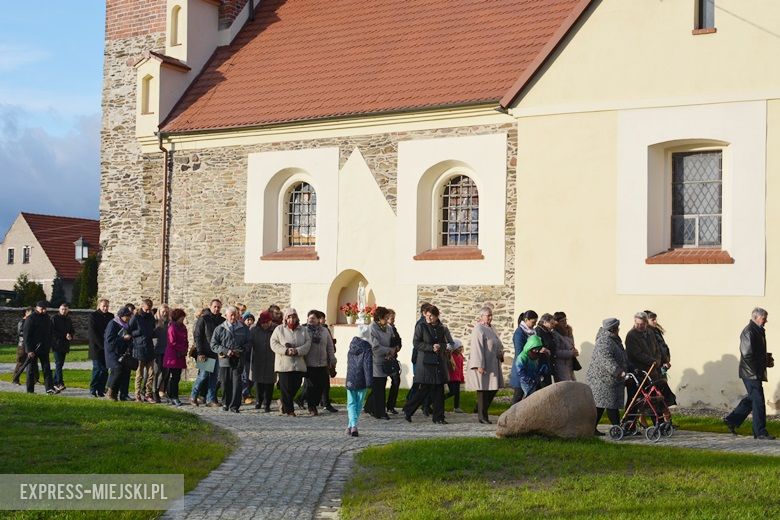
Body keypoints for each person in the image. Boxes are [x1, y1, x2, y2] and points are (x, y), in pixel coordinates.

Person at [724, 308, 775, 440]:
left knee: (752, 398)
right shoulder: (749, 331)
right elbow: (747, 354)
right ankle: (760, 432)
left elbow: (756, 352)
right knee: (758, 401)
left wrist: (766, 360)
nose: (766, 321)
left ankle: (732, 420)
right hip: (751, 373)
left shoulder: (757, 330)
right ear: (756, 317)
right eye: (764, 318)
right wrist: (758, 369)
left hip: (753, 372)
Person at [403, 305, 452, 424]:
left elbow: (447, 343)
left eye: (431, 316)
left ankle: (439, 417)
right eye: (427, 315)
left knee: (439, 391)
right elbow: (416, 343)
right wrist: (431, 347)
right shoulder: (421, 326)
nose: (429, 318)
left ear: (436, 316)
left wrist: (441, 346)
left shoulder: (441, 327)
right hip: (426, 364)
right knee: (424, 390)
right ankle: (408, 410)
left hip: (438, 364)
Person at [587, 318, 628, 436]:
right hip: (601, 379)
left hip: (608, 379)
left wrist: (629, 367)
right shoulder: (604, 341)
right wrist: (618, 371)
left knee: (601, 405)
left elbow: (622, 356)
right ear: (614, 329)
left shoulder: (613, 340)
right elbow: (606, 359)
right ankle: (617, 429)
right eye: (617, 328)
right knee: (610, 404)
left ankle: (592, 428)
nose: (618, 329)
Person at [466, 307, 505, 423]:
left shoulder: (491, 328)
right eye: (488, 315)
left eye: (491, 315)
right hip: (483, 364)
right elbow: (477, 347)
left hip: (493, 363)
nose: (490, 318)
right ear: (481, 316)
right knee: (483, 390)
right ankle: (482, 416)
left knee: (493, 388)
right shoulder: (478, 328)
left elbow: (497, 343)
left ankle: (480, 410)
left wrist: (501, 353)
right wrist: (479, 365)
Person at [270, 308, 311, 416]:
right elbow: (273, 343)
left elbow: (307, 344)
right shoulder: (279, 329)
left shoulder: (303, 330)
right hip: (284, 364)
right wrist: (286, 350)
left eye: (293, 317)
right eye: (289, 317)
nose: (292, 319)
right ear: (285, 318)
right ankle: (290, 410)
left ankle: (283, 401)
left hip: (298, 364)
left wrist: (297, 351)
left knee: (296, 385)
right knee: (286, 387)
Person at [211, 305, 250, 413]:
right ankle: (225, 403)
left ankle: (234, 406)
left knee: (237, 383)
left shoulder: (243, 328)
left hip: (238, 359)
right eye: (231, 315)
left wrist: (241, 350)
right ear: (227, 316)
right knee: (225, 382)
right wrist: (225, 351)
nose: (233, 317)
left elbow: (249, 342)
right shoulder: (220, 328)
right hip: (224, 360)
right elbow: (214, 344)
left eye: (235, 315)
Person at [301, 310, 336, 416]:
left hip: (322, 363)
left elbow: (329, 346)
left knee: (321, 385)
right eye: (309, 318)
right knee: (311, 386)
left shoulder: (324, 331)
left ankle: (311, 403)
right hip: (309, 363)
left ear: (318, 320)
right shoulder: (304, 331)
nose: (311, 320)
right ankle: (312, 407)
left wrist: (332, 359)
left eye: (313, 318)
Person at [191, 299, 225, 407]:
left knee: (214, 378)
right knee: (203, 376)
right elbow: (198, 336)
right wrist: (200, 352)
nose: (216, 309)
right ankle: (193, 396)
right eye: (215, 306)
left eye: (218, 307)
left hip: (217, 353)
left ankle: (211, 399)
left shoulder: (222, 321)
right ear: (210, 307)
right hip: (205, 352)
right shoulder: (203, 319)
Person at [367, 307, 395, 420]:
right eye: (386, 317)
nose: (388, 320)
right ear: (379, 317)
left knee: (380, 386)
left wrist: (393, 350)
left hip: (387, 360)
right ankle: (380, 412)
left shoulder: (388, 328)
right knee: (378, 387)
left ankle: (370, 407)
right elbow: (375, 347)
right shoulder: (371, 328)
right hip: (376, 361)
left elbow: (393, 339)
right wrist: (388, 350)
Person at [345, 325, 373, 437]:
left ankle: (350, 426)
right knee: (359, 403)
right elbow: (368, 365)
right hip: (362, 378)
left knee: (351, 403)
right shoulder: (367, 348)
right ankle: (354, 426)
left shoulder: (352, 346)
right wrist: (369, 381)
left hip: (351, 377)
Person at [23, 300, 55, 394]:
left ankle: (49, 388)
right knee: (31, 370)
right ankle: (30, 390)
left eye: (45, 309)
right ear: (37, 308)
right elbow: (26, 336)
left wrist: (49, 345)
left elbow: (50, 332)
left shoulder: (47, 318)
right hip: (33, 349)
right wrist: (29, 350)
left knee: (47, 369)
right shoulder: (31, 319)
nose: (44, 311)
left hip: (44, 348)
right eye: (42, 309)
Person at [405, 302, 432, 412]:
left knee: (425, 382)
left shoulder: (427, 323)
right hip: (420, 357)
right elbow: (418, 342)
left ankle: (425, 405)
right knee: (420, 382)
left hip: (425, 356)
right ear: (424, 313)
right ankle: (410, 404)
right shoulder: (421, 324)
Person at [129, 298, 156, 402]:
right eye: (147, 309)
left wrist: (152, 333)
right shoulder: (136, 317)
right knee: (139, 374)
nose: (148, 311)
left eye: (150, 309)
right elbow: (129, 331)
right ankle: (137, 394)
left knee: (151, 373)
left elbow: (152, 329)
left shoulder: (151, 317)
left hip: (149, 347)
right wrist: (139, 333)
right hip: (139, 347)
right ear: (142, 306)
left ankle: (148, 394)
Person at [104, 306, 133, 401]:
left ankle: (115, 394)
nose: (129, 318)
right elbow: (109, 339)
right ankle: (109, 392)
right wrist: (123, 338)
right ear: (122, 316)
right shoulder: (113, 324)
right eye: (127, 316)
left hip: (121, 352)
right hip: (112, 352)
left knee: (122, 372)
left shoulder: (125, 325)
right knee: (117, 370)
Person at [250, 311, 277, 412]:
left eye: (267, 322)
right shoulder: (254, 330)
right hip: (258, 359)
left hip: (271, 359)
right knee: (259, 382)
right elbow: (249, 343)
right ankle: (259, 401)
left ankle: (267, 403)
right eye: (263, 322)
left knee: (269, 383)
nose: (265, 324)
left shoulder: (275, 329)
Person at [510, 311, 538, 404]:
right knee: (518, 396)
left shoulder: (532, 332)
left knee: (529, 397)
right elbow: (519, 352)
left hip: (530, 367)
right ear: (526, 320)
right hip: (521, 367)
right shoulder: (519, 333)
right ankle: (510, 417)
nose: (534, 325)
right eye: (533, 322)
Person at [88, 299, 113, 397]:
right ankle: (93, 388)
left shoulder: (110, 316)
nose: (105, 308)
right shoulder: (93, 316)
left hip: (107, 347)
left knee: (105, 370)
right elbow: (93, 333)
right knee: (98, 368)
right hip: (96, 348)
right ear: (99, 306)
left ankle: (101, 389)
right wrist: (102, 345)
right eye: (103, 306)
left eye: (107, 306)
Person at [164, 308, 189, 406]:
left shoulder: (183, 327)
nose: (182, 320)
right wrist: (181, 349)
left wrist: (185, 348)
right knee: (173, 377)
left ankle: (173, 395)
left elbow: (185, 339)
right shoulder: (172, 327)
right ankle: (173, 396)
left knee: (177, 377)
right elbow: (172, 342)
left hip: (180, 355)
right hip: (173, 355)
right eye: (181, 318)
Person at [50, 302, 75, 393]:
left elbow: (72, 330)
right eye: (62, 309)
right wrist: (64, 335)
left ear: (68, 310)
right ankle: (59, 383)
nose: (64, 311)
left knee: (60, 364)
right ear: (59, 309)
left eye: (66, 309)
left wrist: (70, 335)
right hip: (57, 344)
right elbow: (52, 332)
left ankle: (53, 382)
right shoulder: (54, 318)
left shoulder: (68, 319)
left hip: (65, 345)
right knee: (59, 363)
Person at [552, 311, 579, 382]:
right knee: (566, 387)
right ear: (556, 322)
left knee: (573, 386)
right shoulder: (555, 334)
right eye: (562, 321)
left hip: (570, 364)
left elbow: (571, 345)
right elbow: (556, 352)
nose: (565, 322)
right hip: (561, 365)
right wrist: (570, 353)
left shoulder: (569, 331)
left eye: (565, 320)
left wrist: (574, 351)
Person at [385, 309, 402, 415]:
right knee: (380, 382)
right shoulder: (384, 329)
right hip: (385, 358)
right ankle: (371, 404)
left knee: (396, 380)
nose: (393, 320)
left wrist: (398, 347)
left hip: (393, 358)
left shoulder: (394, 329)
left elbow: (399, 340)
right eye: (392, 318)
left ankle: (391, 405)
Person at [153, 304, 170, 403]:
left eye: (167, 311)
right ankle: (154, 391)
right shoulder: (154, 321)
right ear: (159, 311)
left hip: (166, 350)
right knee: (156, 372)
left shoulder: (169, 322)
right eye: (163, 311)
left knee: (165, 373)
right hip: (156, 350)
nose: (165, 313)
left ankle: (159, 388)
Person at [12, 306, 34, 385]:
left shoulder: (31, 321)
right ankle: (15, 379)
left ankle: (34, 379)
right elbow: (20, 333)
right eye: (31, 313)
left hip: (30, 345)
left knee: (33, 363)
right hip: (22, 345)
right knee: (20, 362)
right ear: (26, 312)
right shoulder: (22, 322)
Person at [534, 313, 556, 388]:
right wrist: (543, 349)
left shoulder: (547, 332)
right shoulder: (538, 331)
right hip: (541, 365)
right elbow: (536, 346)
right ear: (545, 322)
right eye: (551, 323)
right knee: (543, 388)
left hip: (546, 364)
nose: (553, 325)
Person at [445, 339, 465, 413]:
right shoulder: (450, 356)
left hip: (457, 378)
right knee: (452, 392)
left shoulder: (460, 356)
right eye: (459, 347)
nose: (460, 349)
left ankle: (456, 407)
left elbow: (461, 368)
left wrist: (462, 377)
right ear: (454, 348)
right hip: (451, 377)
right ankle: (439, 400)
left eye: (461, 347)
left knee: (457, 393)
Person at [241, 312, 256, 404]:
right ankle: (245, 394)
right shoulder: (242, 330)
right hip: (244, 356)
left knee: (252, 378)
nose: (250, 322)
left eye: (251, 320)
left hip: (253, 357)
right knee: (245, 376)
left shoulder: (255, 330)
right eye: (248, 320)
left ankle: (247, 392)